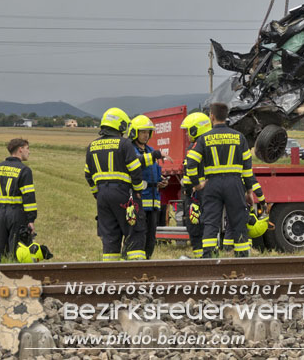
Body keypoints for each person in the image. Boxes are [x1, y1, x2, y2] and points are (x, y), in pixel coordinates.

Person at [196, 103, 258, 258]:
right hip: (234, 184)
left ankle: (209, 255)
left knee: (211, 220)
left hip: (212, 184)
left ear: (212, 116)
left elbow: (191, 162)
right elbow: (247, 168)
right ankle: (242, 255)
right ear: (226, 116)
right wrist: (249, 191)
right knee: (238, 220)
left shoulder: (204, 138)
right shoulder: (240, 137)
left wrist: (197, 183)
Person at [84, 107, 145, 262]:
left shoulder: (92, 146)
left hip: (103, 196)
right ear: (121, 125)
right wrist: (137, 191)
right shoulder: (124, 144)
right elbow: (135, 170)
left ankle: (111, 273)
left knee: (110, 236)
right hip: (123, 193)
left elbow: (88, 174)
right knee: (134, 230)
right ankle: (135, 269)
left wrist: (96, 194)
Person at [0, 138, 37, 262]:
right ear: (20, 149)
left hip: (1, 214)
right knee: (18, 251)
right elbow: (28, 197)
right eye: (27, 149)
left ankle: (1, 278)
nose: (29, 152)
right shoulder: (24, 170)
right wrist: (31, 219)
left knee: (2, 252)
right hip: (17, 215)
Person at [129, 115, 172, 259]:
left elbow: (155, 172)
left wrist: (162, 182)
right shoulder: (130, 150)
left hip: (153, 202)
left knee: (151, 239)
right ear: (135, 132)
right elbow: (137, 162)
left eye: (148, 132)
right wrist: (154, 155)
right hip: (139, 201)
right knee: (138, 236)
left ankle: (146, 262)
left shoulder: (150, 150)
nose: (146, 135)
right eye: (142, 132)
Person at [180, 111, 213, 258]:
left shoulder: (194, 149)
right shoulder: (212, 147)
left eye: (188, 131)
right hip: (211, 194)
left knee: (195, 228)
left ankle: (200, 258)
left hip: (195, 195)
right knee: (209, 226)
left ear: (196, 129)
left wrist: (188, 187)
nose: (187, 134)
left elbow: (188, 175)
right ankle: (208, 256)